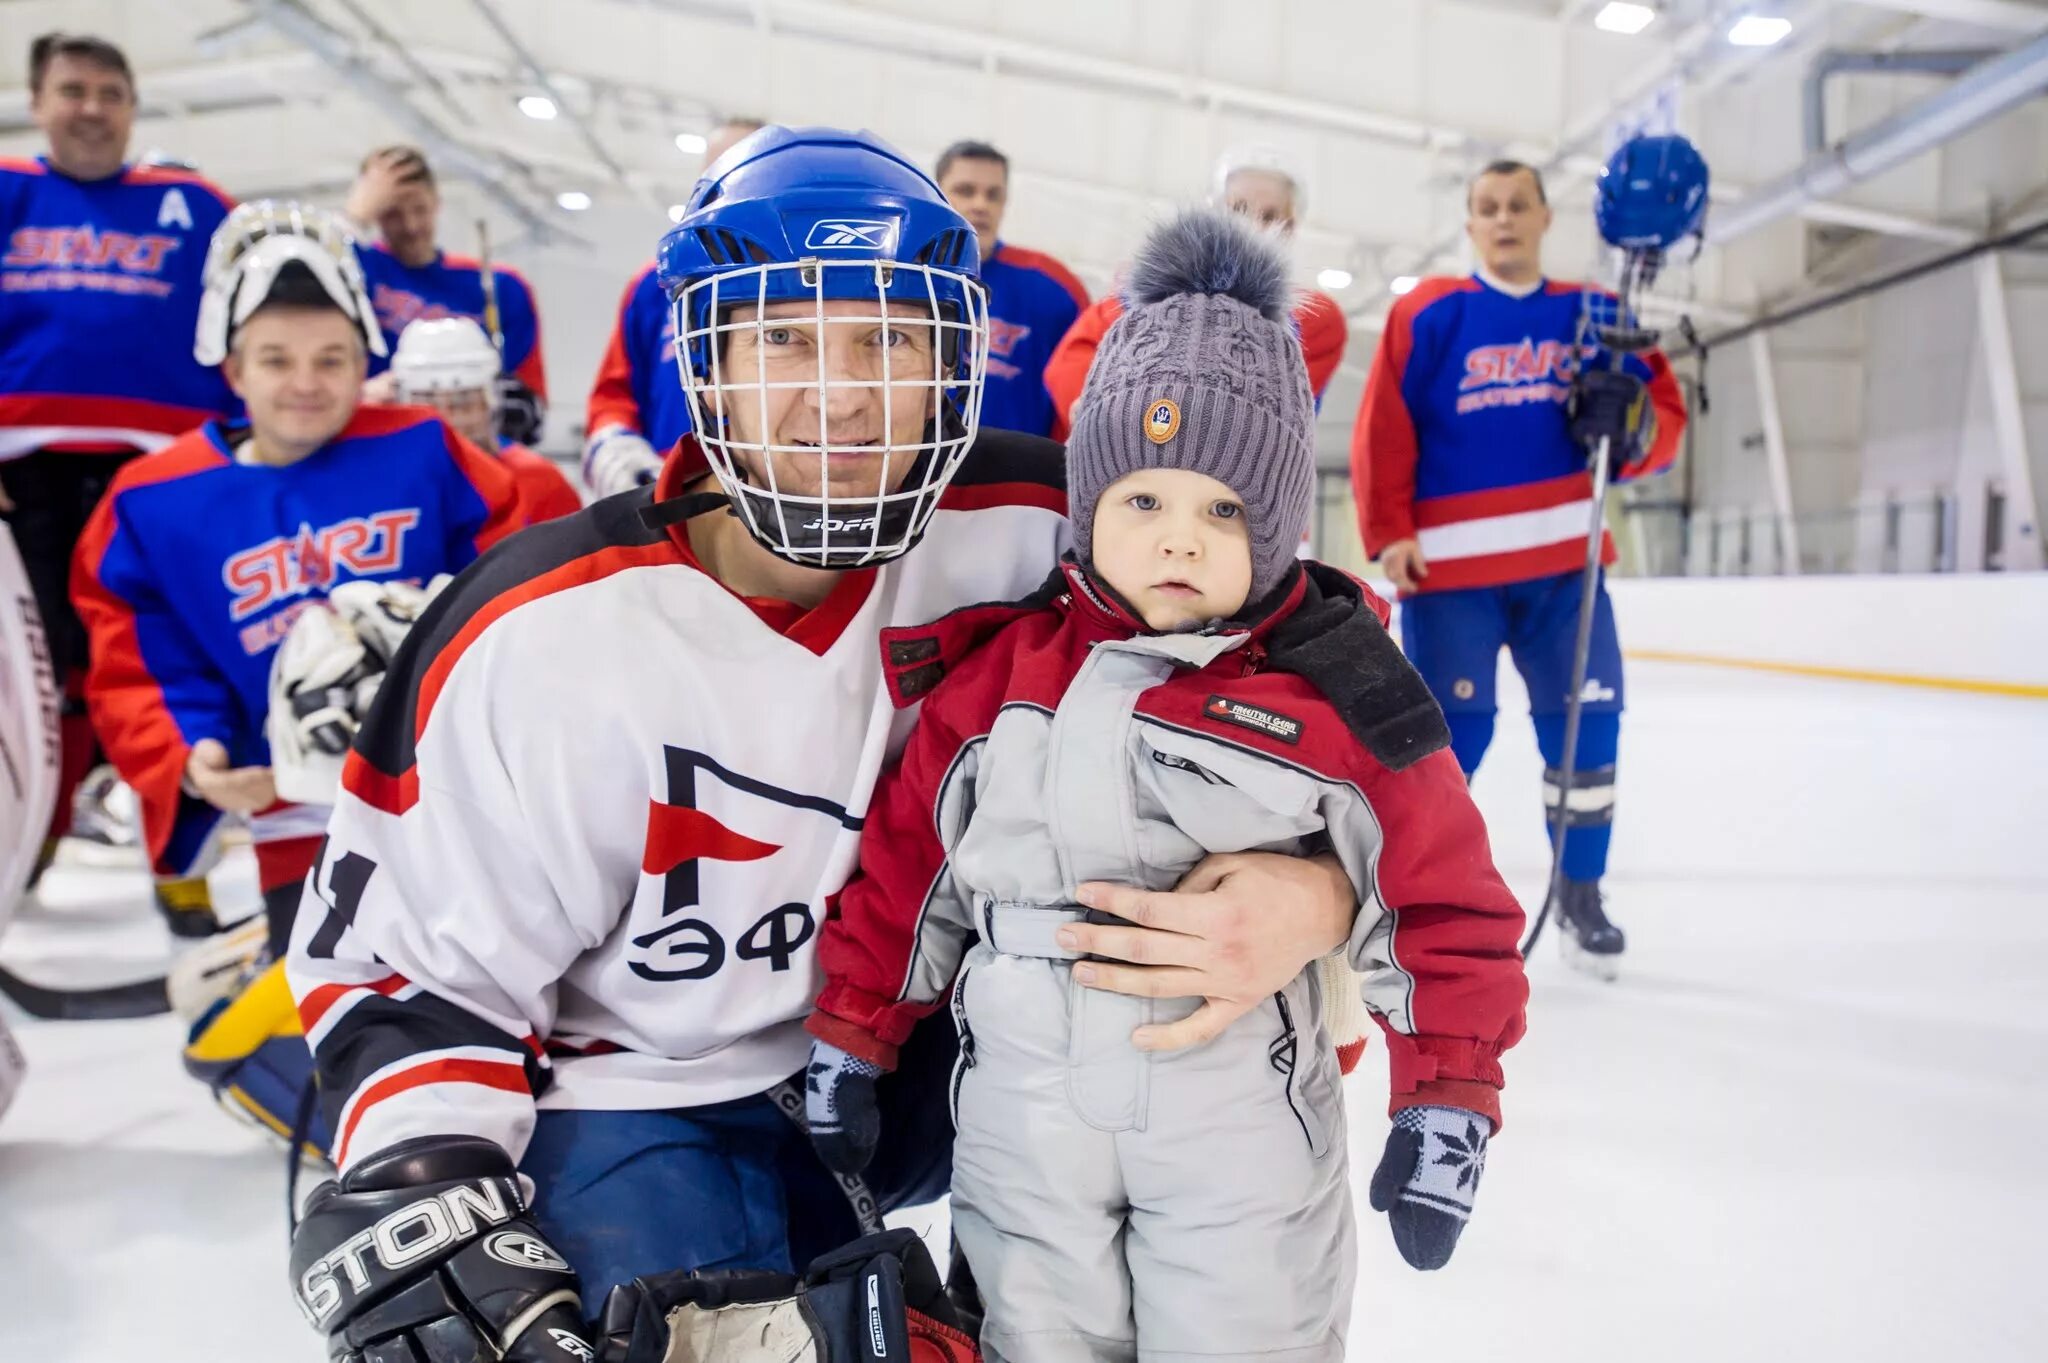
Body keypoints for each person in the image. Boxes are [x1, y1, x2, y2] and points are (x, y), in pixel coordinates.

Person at [284, 127, 1366, 1363]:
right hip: (645, 1087)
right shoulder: (535, 630)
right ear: (704, 360)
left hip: (954, 1056)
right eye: (785, 338)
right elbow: (409, 967)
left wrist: (1319, 890)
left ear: (949, 362)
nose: (842, 393)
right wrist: (429, 1172)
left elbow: (1326, 661)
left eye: (886, 340)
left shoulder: (1045, 524)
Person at [802, 209, 1527, 1362]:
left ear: (1281, 522)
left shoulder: (1337, 685)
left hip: (1237, 1131)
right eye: (1142, 502)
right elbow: (908, 868)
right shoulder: (999, 678)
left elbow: (1445, 893)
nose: (1177, 541)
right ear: (1089, 507)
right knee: (1026, 1335)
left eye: (1222, 511)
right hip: (1024, 1134)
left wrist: (1445, 1094)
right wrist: (854, 1031)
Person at [69, 201, 526, 1132]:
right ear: (233, 368)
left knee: (490, 982)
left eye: (331, 360)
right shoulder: (153, 501)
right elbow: (144, 656)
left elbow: (519, 577)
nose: (306, 384)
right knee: (344, 1015)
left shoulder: (426, 449)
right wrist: (193, 755)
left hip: (449, 795)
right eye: (276, 361)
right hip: (295, 811)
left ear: (367, 362)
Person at [1349, 158, 1687, 971]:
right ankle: (1412, 892)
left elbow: (1662, 422)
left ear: (1543, 218)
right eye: (1487, 207)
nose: (1503, 219)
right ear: (1469, 223)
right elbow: (1382, 426)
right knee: (1447, 741)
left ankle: (1580, 893)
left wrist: (1631, 422)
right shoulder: (1428, 313)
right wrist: (1389, 527)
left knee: (1586, 731)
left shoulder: (1598, 314)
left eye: (1518, 205)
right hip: (1450, 577)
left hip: (1565, 570)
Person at [1, 31, 239, 934]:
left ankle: (180, 861)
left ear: (133, 108)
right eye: (72, 91)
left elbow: (248, 326)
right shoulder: (7, 192)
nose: (91, 108)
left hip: (163, 483)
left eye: (109, 92)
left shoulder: (194, 204)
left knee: (169, 669)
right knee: (35, 685)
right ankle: (26, 848)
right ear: (38, 101)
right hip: (23, 486)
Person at [1042, 147, 1348, 436]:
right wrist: (1102, 417)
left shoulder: (1314, 319)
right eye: (1239, 209)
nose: (1252, 225)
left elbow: (1271, 407)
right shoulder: (1151, 289)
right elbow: (1074, 360)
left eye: (1269, 216)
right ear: (1215, 212)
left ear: (1290, 228)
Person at [583, 116, 767, 497]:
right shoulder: (656, 285)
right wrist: (617, 448)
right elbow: (614, 394)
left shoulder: (806, 285)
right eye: (715, 177)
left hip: (773, 485)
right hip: (668, 489)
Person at [343, 145, 549, 437]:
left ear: (437, 203)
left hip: (473, 453)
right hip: (376, 444)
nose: (411, 226)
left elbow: (529, 402)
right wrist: (353, 217)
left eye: (419, 210)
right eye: (392, 213)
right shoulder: (351, 270)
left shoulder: (501, 287)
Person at [933, 139, 1088, 439]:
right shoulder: (903, 276)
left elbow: (1080, 397)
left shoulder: (1055, 290)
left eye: (993, 195)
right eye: (966, 191)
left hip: (1016, 473)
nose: (980, 204)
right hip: (913, 471)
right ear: (937, 193)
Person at [389, 316, 582, 523]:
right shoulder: (386, 487)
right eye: (427, 406)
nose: (446, 421)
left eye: (463, 402)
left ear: (492, 402)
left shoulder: (541, 483)